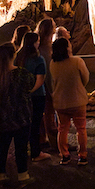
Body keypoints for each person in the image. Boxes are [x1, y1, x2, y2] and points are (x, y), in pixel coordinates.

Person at [0, 42, 37, 185]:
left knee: (1, 146)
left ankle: (0, 174)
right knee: (21, 147)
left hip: (2, 116)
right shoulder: (21, 73)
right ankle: (23, 175)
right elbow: (31, 85)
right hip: (20, 115)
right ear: (13, 55)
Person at [49, 37, 90, 165]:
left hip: (60, 102)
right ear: (67, 48)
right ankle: (82, 156)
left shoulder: (52, 64)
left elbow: (52, 82)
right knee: (81, 129)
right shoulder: (77, 61)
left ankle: (64, 156)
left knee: (62, 129)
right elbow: (86, 78)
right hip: (77, 100)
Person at [14, 32, 51, 163]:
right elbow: (40, 79)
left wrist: (22, 92)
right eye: (37, 41)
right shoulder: (38, 59)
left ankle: (23, 150)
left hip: (20, 95)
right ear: (34, 43)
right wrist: (30, 91)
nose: (39, 43)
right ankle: (36, 152)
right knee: (35, 124)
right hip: (37, 96)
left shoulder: (18, 58)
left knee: (23, 123)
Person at [36, 18, 58, 153]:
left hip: (38, 89)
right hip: (47, 88)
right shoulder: (47, 50)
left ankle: (41, 140)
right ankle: (56, 144)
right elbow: (49, 73)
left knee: (40, 116)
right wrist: (53, 90)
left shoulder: (37, 48)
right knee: (50, 116)